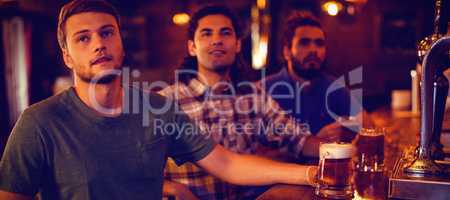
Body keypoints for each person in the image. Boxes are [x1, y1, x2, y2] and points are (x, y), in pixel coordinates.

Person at [0, 1, 317, 200]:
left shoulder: (158, 108)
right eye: (83, 38)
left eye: (107, 33)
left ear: (122, 45)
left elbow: (227, 163)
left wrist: (310, 174)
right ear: (67, 57)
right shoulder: (39, 121)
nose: (98, 43)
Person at [160, 6, 336, 200]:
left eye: (225, 33)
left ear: (237, 44)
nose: (217, 40)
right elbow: (135, 171)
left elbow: (296, 138)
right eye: (206, 34)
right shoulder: (167, 101)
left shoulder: (253, 94)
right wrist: (170, 189)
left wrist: (339, 153)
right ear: (192, 47)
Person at [261, 13, 365, 138]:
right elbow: (254, 151)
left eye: (319, 43)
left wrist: (349, 126)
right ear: (287, 52)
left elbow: (367, 123)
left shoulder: (333, 86)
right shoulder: (264, 89)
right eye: (304, 43)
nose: (313, 50)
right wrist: (315, 141)